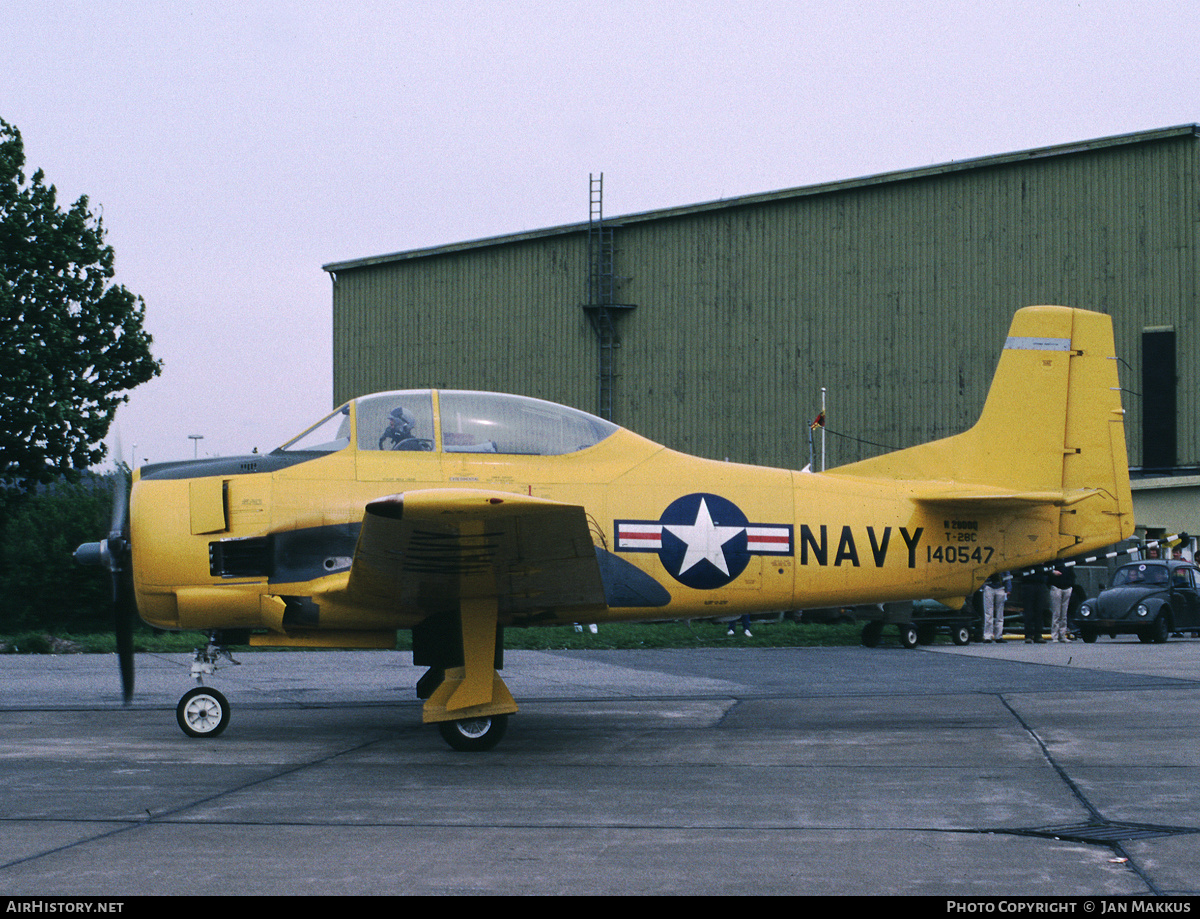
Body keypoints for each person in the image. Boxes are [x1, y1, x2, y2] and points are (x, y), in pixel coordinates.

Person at [1019, 568, 1049, 643]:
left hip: (1040, 583)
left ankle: (1038, 635)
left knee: (1039, 611)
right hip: (1028, 583)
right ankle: (1028, 635)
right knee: (1028, 611)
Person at [1047, 564, 1075, 642]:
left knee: (1064, 613)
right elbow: (1046, 569)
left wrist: (1071, 584)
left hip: (1067, 587)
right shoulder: (1054, 560)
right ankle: (1055, 635)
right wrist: (1052, 572)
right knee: (1057, 613)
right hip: (1056, 587)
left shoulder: (1069, 560)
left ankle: (1062, 634)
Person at [982, 571, 1008, 642]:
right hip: (993, 586)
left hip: (994, 586)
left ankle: (991, 636)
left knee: (992, 613)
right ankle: (993, 636)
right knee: (993, 613)